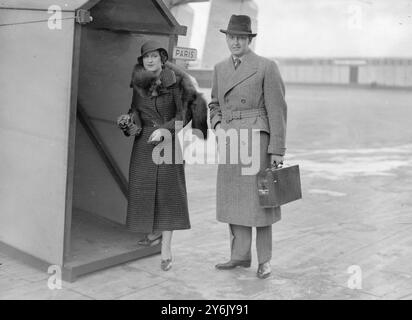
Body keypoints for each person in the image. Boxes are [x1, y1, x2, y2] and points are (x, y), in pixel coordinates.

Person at [209, 15, 287, 279]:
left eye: (241, 37)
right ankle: (239, 256)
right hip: (230, 139)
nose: (235, 42)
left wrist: (277, 149)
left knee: (261, 202)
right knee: (234, 200)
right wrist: (218, 126)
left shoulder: (266, 66)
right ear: (227, 39)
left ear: (249, 39)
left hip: (257, 141)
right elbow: (214, 104)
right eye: (231, 37)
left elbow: (277, 110)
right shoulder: (220, 68)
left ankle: (264, 260)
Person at [119, 40, 207, 271]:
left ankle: (166, 249)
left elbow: (184, 114)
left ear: (162, 58)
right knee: (144, 190)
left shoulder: (176, 83)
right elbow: (135, 113)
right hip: (144, 143)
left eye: (154, 56)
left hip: (168, 143)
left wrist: (165, 130)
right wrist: (128, 124)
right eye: (146, 57)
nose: (149, 60)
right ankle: (154, 233)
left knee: (169, 196)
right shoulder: (138, 85)